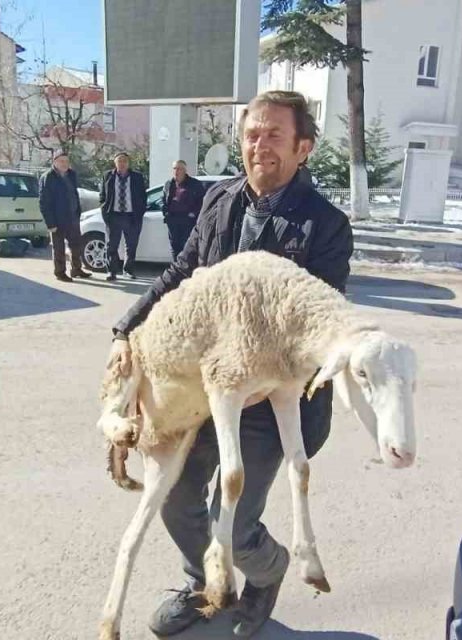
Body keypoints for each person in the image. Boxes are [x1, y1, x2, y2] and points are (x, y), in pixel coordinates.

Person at [106, 90, 353, 638]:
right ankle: (205, 583)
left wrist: (258, 376)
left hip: (271, 398)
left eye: (274, 135)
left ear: (303, 148)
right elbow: (183, 272)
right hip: (209, 387)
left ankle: (268, 571)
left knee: (237, 522)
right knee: (173, 498)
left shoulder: (325, 225)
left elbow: (319, 324)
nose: (258, 145)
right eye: (251, 134)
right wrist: (128, 328)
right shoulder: (221, 200)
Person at [39, 151, 91, 282]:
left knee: (76, 245)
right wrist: (50, 223)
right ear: (54, 162)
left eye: (67, 161)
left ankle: (76, 269)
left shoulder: (71, 175)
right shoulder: (48, 177)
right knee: (59, 248)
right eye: (61, 161)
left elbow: (74, 194)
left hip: (72, 216)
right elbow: (44, 202)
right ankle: (60, 272)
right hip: (57, 219)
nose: (64, 164)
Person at [98, 152, 147, 281]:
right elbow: (102, 196)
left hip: (132, 216)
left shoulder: (137, 177)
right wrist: (105, 212)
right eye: (119, 161)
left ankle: (128, 270)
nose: (122, 163)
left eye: (124, 161)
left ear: (128, 163)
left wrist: (140, 212)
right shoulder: (107, 176)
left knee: (131, 245)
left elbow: (143, 197)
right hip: (114, 215)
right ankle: (111, 272)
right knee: (111, 245)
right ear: (115, 163)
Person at [160, 160, 207, 259]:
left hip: (188, 221)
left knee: (187, 247)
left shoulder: (195, 184)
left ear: (185, 170)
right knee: (174, 247)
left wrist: (193, 214)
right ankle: (176, 269)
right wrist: (166, 214)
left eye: (180, 169)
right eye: (175, 168)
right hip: (173, 220)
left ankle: (186, 271)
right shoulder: (169, 184)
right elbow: (163, 200)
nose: (177, 171)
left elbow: (202, 201)